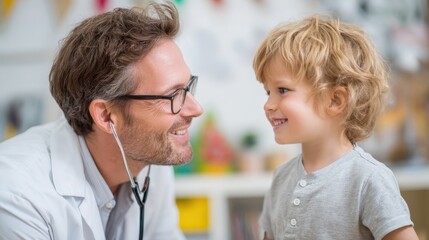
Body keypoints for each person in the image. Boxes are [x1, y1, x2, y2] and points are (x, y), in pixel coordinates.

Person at [0, 1, 203, 240]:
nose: (196, 109)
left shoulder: (150, 163)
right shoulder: (16, 193)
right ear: (106, 116)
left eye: (188, 87)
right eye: (172, 95)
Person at [253, 15, 419, 240]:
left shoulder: (368, 179)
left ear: (335, 101)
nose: (268, 105)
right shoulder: (281, 178)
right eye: (268, 92)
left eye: (282, 90)